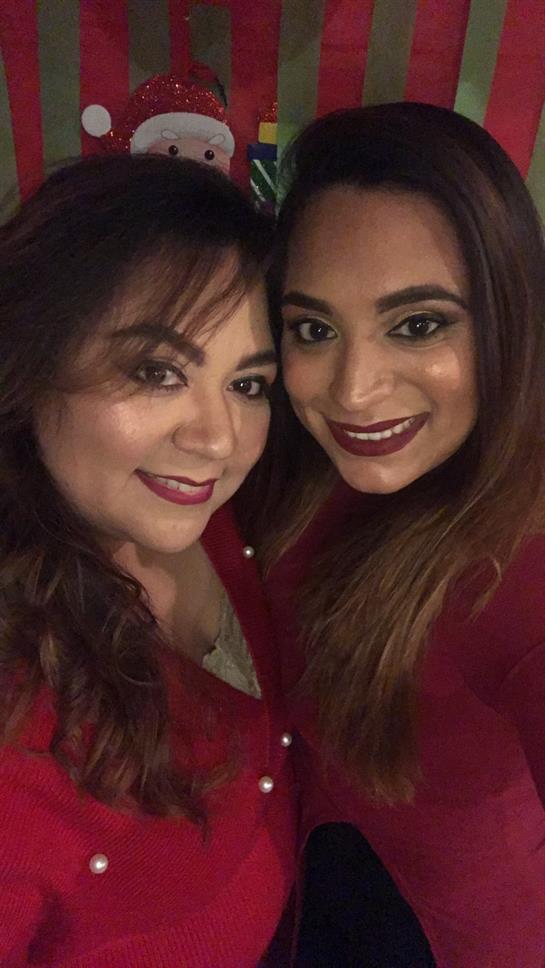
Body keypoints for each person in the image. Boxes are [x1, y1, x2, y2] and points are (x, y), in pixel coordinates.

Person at [243, 102, 545, 966]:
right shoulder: (281, 455)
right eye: (314, 329)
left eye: (417, 324)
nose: (352, 391)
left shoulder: (521, 565)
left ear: (508, 319)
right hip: (303, 874)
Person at [0, 153, 296, 966]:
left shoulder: (215, 521)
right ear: (30, 364)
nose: (218, 439)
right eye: (156, 371)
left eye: (248, 385)